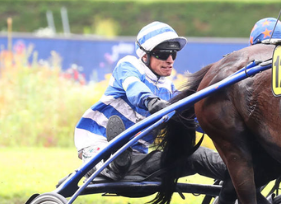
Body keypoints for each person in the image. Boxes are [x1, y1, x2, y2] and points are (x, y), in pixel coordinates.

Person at [74, 21, 227, 181]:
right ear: (144, 56)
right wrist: (152, 102)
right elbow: (135, 89)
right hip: (97, 144)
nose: (170, 60)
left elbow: (194, 120)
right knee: (112, 157)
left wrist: (221, 126)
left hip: (137, 159)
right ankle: (111, 163)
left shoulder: (168, 89)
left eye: (173, 53)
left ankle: (243, 173)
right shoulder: (128, 66)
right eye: (163, 53)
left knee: (196, 156)